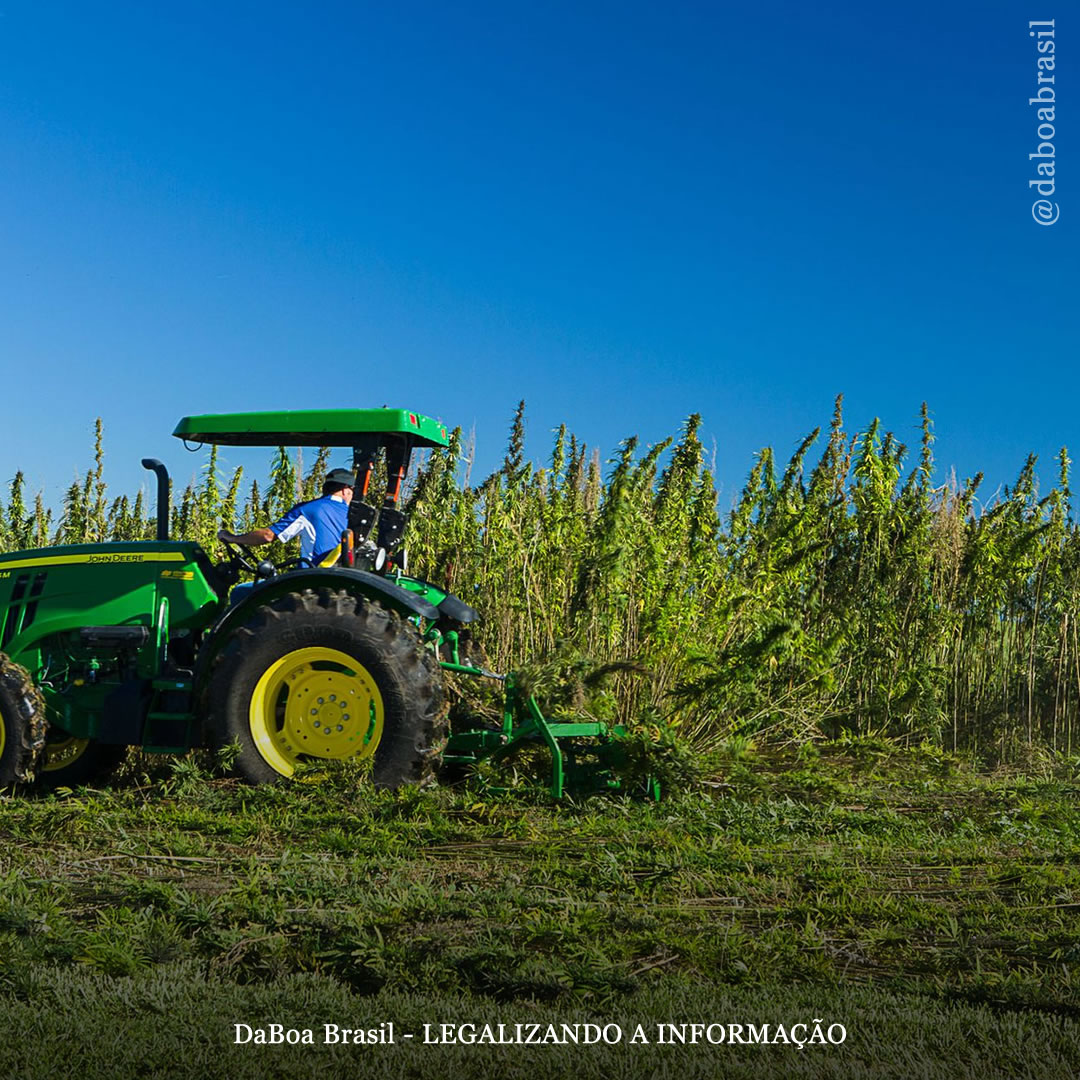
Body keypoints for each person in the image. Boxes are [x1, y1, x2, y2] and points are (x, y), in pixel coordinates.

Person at [218, 468, 355, 569]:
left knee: (241, 591)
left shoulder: (308, 509)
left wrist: (233, 538)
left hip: (311, 579)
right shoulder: (354, 516)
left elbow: (267, 536)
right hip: (341, 575)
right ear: (345, 490)